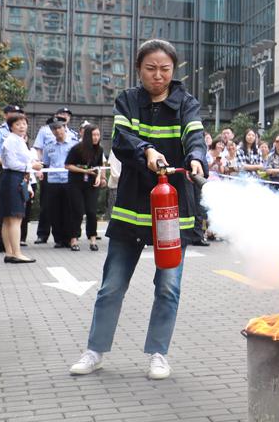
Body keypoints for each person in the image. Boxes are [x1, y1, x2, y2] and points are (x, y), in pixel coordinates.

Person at [69, 39, 207, 380]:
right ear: (138, 69)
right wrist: (146, 151)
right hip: (132, 206)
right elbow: (122, 139)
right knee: (111, 285)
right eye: (150, 69)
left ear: (173, 71)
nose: (158, 76)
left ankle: (158, 353)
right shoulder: (128, 100)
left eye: (165, 69)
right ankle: (95, 350)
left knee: (168, 287)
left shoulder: (186, 103)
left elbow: (196, 138)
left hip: (173, 211)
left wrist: (196, 160)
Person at [0, 112, 43, 263]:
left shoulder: (18, 140)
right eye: (17, 124)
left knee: (8, 219)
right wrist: (31, 165)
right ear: (11, 127)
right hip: (12, 178)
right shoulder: (12, 140)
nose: (22, 126)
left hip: (14, 178)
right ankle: (16, 253)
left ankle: (10, 253)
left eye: (24, 123)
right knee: (15, 218)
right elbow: (11, 163)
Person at [0, 104, 25, 255]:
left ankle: (6, 245)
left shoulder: (19, 135)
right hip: (1, 172)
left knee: (9, 212)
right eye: (13, 113)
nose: (20, 122)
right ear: (6, 115)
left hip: (15, 172)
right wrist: (8, 164)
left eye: (20, 115)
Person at [65, 125, 105, 252]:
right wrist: (84, 171)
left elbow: (99, 166)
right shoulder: (76, 149)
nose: (96, 138)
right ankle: (74, 239)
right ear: (87, 136)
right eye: (94, 135)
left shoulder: (99, 149)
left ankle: (93, 239)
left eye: (98, 135)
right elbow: (67, 165)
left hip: (91, 183)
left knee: (92, 211)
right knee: (77, 210)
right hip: (76, 183)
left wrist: (99, 176)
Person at [40, 120, 74, 249]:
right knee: (54, 211)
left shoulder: (73, 144)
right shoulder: (49, 146)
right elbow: (46, 164)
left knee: (68, 211)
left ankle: (69, 238)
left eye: (59, 128)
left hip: (68, 181)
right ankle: (58, 239)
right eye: (54, 129)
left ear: (64, 128)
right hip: (53, 182)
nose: (57, 131)